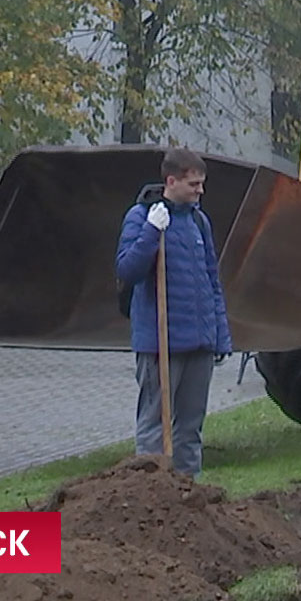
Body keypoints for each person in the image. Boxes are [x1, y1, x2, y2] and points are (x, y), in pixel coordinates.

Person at [115, 147, 231, 477]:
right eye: (193, 184)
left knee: (190, 431)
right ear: (171, 181)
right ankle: (150, 500)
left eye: (201, 184)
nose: (200, 191)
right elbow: (127, 270)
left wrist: (220, 336)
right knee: (154, 428)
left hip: (199, 344)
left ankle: (188, 499)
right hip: (159, 344)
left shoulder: (198, 221)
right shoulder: (140, 217)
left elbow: (212, 279)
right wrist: (152, 232)